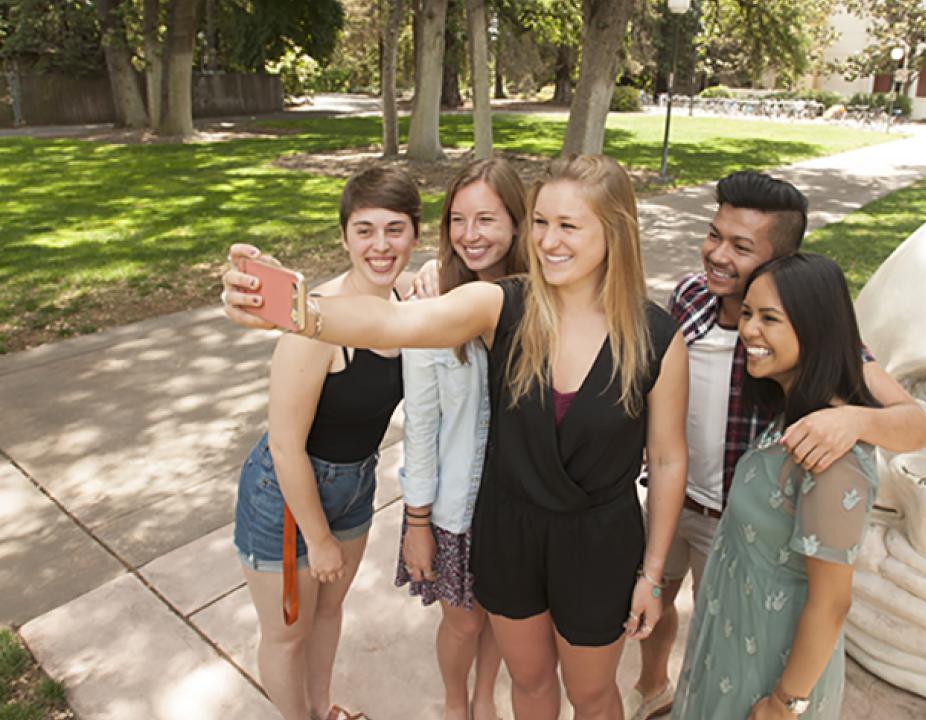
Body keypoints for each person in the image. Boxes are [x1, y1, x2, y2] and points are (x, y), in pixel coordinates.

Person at [223, 154, 689, 720]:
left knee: (592, 696)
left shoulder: (656, 337)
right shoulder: (504, 304)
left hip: (598, 544)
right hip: (510, 534)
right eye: (541, 223)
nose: (548, 241)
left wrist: (653, 574)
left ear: (614, 231)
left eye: (568, 225)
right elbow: (394, 322)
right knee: (529, 682)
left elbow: (668, 460)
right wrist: (296, 309)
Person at [626, 172, 926, 720]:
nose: (717, 255)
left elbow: (918, 427)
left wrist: (852, 421)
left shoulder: (804, 331)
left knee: (730, 630)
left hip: (746, 521)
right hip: (677, 497)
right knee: (660, 602)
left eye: (741, 247)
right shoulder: (690, 298)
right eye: (714, 234)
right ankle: (653, 691)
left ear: (780, 263)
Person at [231, 166, 419, 720]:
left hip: (356, 483)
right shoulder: (315, 323)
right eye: (364, 230)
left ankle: (322, 708)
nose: (380, 245)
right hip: (286, 496)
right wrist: (319, 538)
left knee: (329, 612)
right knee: (287, 634)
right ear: (344, 237)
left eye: (394, 229)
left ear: (415, 233)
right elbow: (285, 446)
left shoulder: (408, 298)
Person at [672, 252, 886, 719]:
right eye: (748, 313)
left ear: (816, 328)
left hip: (770, 669)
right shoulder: (793, 414)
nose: (749, 330)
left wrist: (785, 702)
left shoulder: (831, 455)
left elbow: (831, 602)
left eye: (770, 318)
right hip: (733, 642)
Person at [395, 158, 528, 720]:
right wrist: (418, 522)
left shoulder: (545, 301)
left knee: (502, 615)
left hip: (522, 504)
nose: (469, 235)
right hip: (456, 507)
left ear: (517, 223)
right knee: (463, 622)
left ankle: (483, 695)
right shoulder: (432, 308)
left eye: (486, 219)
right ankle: (455, 702)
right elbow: (421, 426)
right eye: (457, 219)